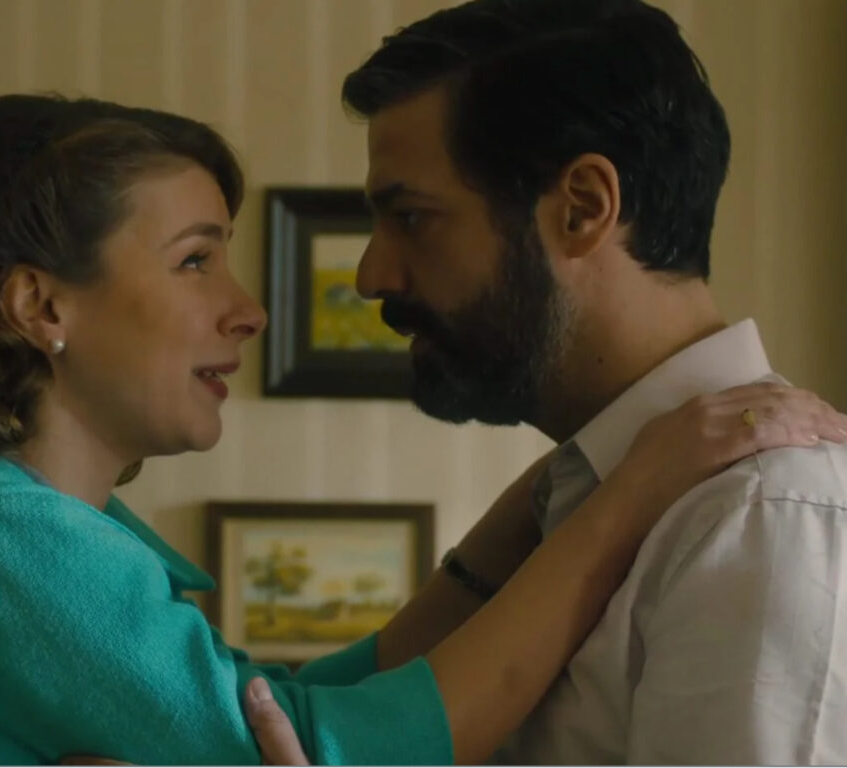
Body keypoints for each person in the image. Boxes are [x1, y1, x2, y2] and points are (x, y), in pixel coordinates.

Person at [0, 93, 842, 767]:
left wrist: (529, 514)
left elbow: (262, 709)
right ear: (42, 304)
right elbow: (327, 747)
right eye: (195, 260)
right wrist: (626, 496)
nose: (246, 310)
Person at [246, 0, 847, 764]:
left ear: (583, 208)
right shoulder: (575, 501)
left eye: (413, 218)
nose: (370, 275)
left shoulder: (761, 516)